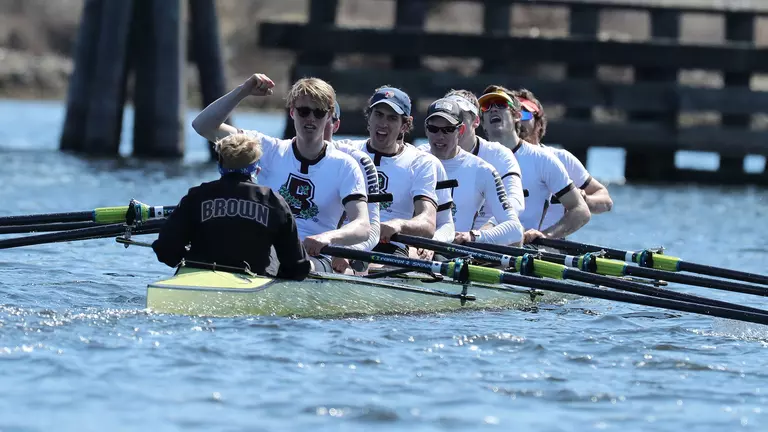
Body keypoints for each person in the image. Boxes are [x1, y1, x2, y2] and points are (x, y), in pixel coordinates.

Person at [191, 74, 370, 272]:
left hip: (314, 258)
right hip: (265, 249)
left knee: (284, 264)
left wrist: (327, 238)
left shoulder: (345, 166)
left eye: (318, 113)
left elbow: (362, 225)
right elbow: (203, 125)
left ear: (329, 116)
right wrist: (243, 90)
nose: (310, 118)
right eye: (303, 111)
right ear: (292, 112)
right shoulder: (268, 150)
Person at [152, 133, 311, 280]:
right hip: (253, 284)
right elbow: (298, 267)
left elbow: (165, 250)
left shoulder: (196, 196)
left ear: (220, 164)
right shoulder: (274, 202)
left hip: (198, 278)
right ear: (257, 167)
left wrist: (188, 260)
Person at [334, 86, 450, 256]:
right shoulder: (345, 151)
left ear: (405, 125)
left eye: (392, 118)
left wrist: (398, 225)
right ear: (369, 118)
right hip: (345, 239)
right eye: (378, 115)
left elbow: (428, 222)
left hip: (390, 246)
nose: (383, 123)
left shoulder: (420, 163)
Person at [478, 85, 591, 240]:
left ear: (517, 115)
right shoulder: (472, 159)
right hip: (472, 243)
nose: (493, 110)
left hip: (521, 249)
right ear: (482, 123)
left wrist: (546, 236)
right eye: (486, 107)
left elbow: (581, 210)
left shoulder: (542, 159)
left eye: (501, 104)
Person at [417, 98, 524, 246]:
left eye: (448, 129)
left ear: (460, 130)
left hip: (454, 254)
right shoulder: (414, 160)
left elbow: (515, 229)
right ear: (426, 129)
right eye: (434, 129)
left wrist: (475, 236)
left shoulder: (483, 170)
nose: (440, 136)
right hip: (413, 250)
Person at [512, 88, 613, 233]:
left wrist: (585, 200)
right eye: (513, 114)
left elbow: (605, 200)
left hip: (546, 245)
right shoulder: (495, 157)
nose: (518, 120)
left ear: (539, 124)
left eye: (525, 114)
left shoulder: (560, 159)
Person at [442, 89, 525, 230]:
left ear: (476, 121)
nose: (454, 122)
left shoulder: (499, 155)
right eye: (449, 116)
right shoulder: (423, 153)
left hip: (483, 240)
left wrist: (485, 231)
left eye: (460, 115)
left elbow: (515, 201)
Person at [323, 100, 382, 273]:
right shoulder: (280, 152)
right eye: (305, 112)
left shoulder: (357, 161)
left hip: (330, 254)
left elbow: (372, 229)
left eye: (322, 115)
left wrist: (347, 252)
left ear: (335, 125)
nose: (313, 121)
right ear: (293, 115)